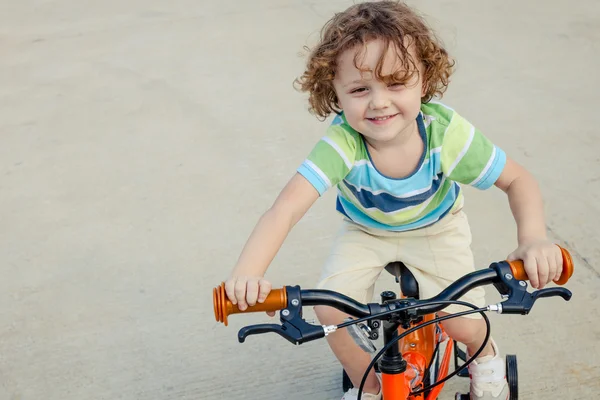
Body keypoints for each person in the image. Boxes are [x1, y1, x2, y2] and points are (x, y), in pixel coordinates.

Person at [223, 2, 563, 399]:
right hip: (365, 230)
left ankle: (483, 354)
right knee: (331, 310)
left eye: (396, 83)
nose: (379, 102)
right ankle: (368, 385)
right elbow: (285, 209)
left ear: (425, 79)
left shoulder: (444, 134)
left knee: (463, 319)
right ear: (333, 91)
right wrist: (249, 272)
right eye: (359, 89)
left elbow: (519, 179)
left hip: (436, 228)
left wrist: (534, 237)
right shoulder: (342, 144)